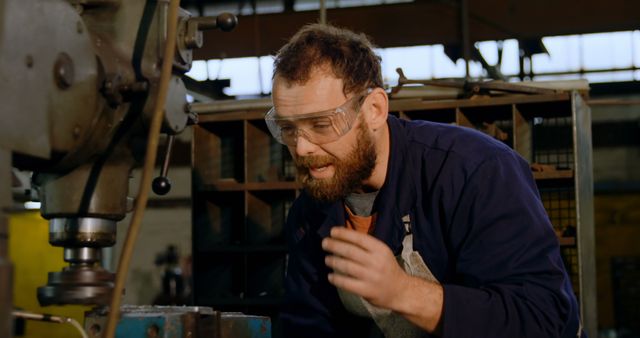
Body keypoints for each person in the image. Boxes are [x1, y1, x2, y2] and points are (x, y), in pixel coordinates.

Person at [265, 23, 584, 338]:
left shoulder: (475, 171)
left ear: (374, 109)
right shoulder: (312, 210)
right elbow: (309, 326)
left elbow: (543, 318)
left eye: (321, 124)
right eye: (289, 130)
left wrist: (403, 292)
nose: (302, 148)